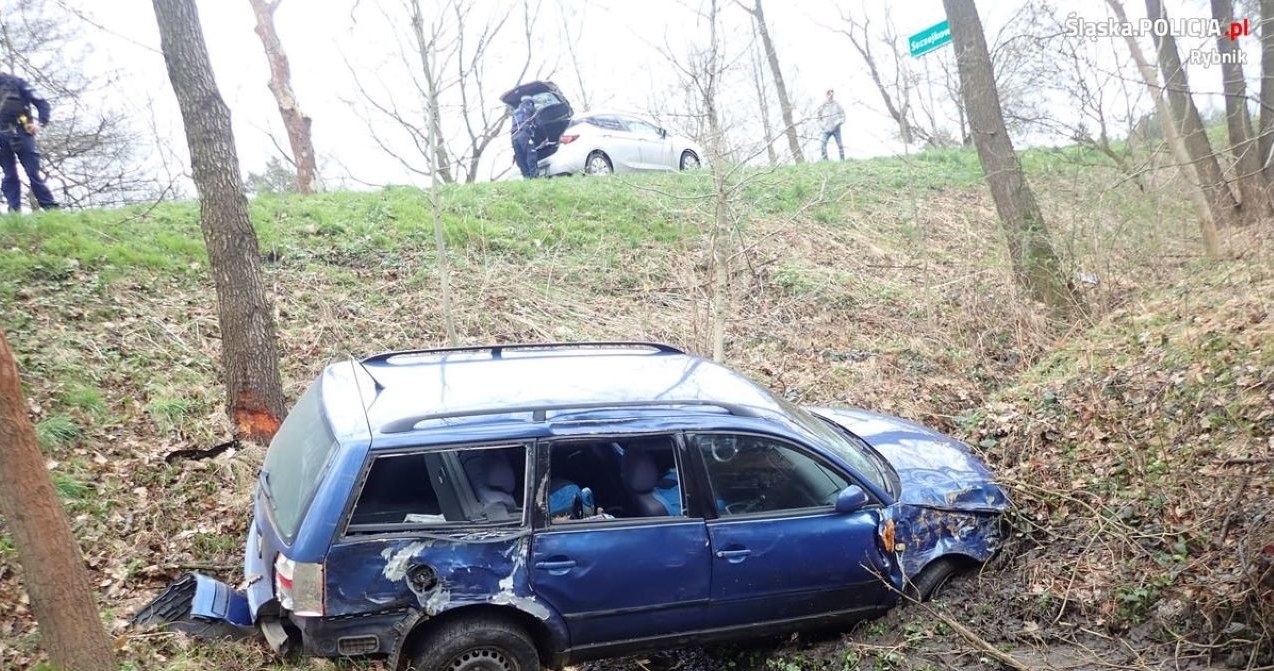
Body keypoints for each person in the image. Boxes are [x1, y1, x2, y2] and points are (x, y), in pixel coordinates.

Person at [0, 71, 57, 212]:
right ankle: (14, 212)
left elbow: (42, 103)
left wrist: (39, 123)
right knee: (9, 175)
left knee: (33, 172)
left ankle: (50, 207)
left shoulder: (17, 82)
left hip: (21, 131)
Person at [510, 95, 539, 179]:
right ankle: (535, 178)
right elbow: (538, 123)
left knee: (520, 158)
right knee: (531, 155)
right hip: (524, 135)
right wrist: (545, 137)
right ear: (530, 102)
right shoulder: (530, 107)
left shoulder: (516, 112)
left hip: (514, 137)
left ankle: (526, 178)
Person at [817, 89, 846, 161]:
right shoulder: (822, 106)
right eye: (829, 94)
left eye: (832, 94)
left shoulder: (837, 105)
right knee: (823, 145)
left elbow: (843, 116)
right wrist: (823, 126)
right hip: (826, 130)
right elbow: (818, 118)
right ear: (826, 95)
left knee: (840, 145)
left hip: (836, 129)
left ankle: (842, 160)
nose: (830, 95)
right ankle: (825, 160)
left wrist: (839, 122)